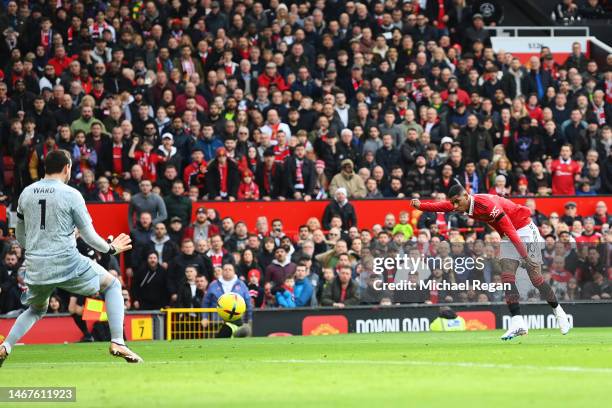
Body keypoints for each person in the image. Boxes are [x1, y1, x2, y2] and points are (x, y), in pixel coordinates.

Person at [0, 150, 142, 366]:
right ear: (67, 168)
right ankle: (118, 341)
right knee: (112, 285)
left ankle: (6, 346)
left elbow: (19, 235)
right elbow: (89, 236)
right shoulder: (71, 194)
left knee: (36, 309)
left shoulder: (26, 193)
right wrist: (111, 248)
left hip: (37, 266)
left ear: (44, 168)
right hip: (68, 261)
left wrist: (36, 251)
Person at [411, 184, 571, 340]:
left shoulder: (487, 206)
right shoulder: (462, 204)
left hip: (524, 229)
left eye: (457, 201)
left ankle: (559, 312)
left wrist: (524, 255)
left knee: (535, 277)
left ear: (466, 196)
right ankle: (518, 322)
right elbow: (444, 205)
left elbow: (509, 228)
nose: (454, 205)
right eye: (453, 202)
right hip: (509, 235)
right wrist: (421, 206)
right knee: (507, 276)